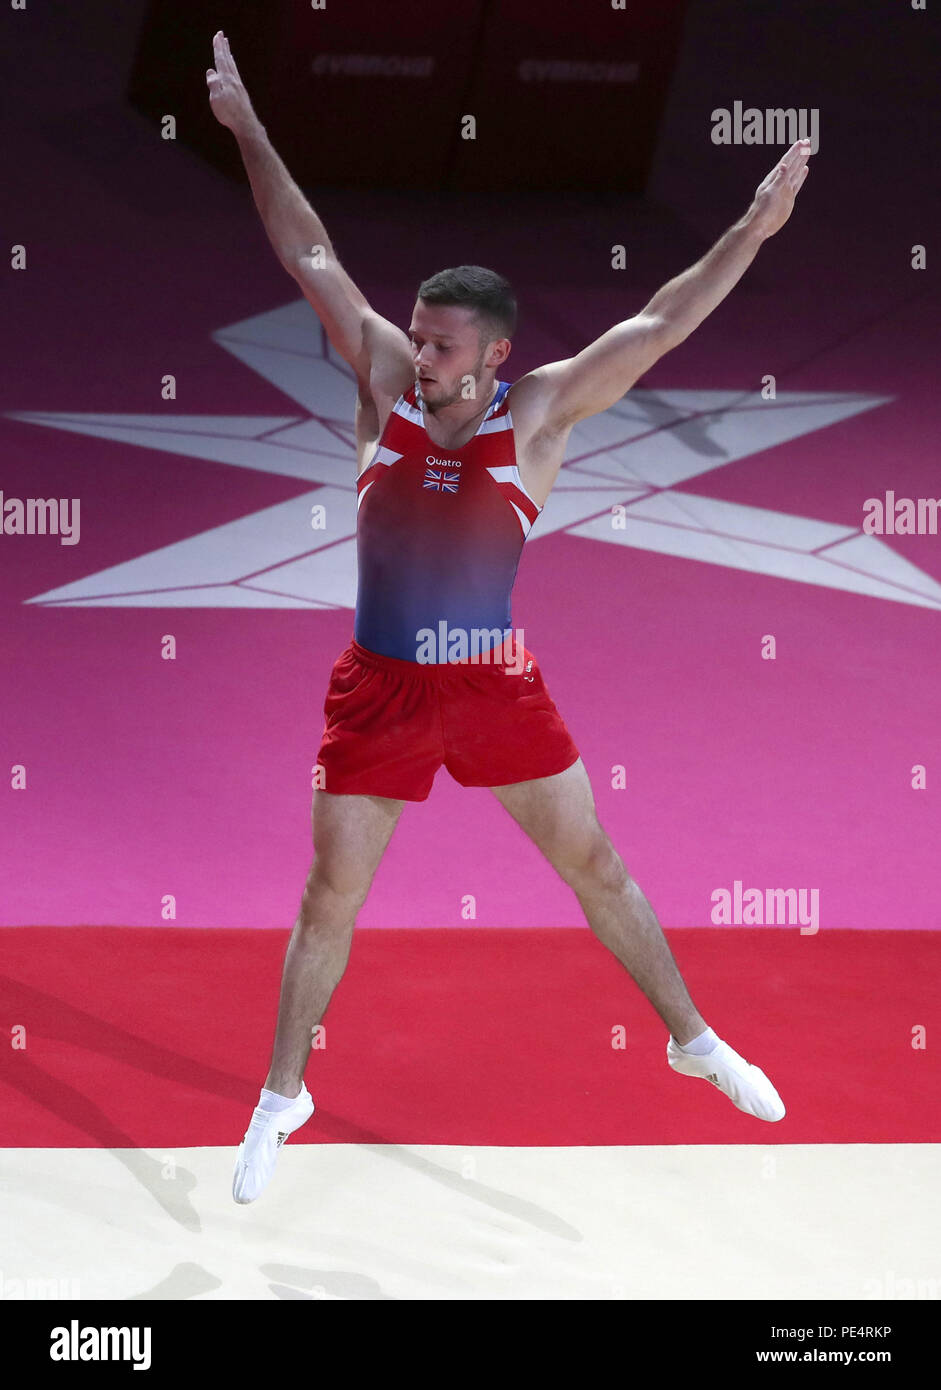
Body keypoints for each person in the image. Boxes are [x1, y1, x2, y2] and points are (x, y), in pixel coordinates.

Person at [206, 31, 811, 1204]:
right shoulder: (382, 377)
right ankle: (284, 1095)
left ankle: (691, 1036)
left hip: (490, 679)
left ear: (495, 357)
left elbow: (662, 321)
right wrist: (245, 129)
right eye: (415, 336)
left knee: (594, 862)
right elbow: (308, 253)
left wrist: (748, 230)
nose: (413, 353)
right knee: (330, 894)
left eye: (438, 345)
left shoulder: (537, 413)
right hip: (378, 687)